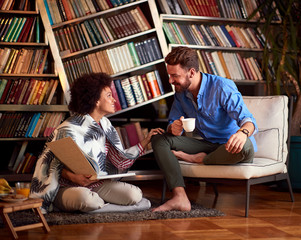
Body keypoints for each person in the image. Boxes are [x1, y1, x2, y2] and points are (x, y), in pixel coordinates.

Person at [30, 73, 164, 213]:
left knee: (134, 195)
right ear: (96, 101)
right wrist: (73, 177)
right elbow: (48, 164)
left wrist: (146, 140)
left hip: (97, 185)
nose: (114, 100)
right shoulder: (67, 129)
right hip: (67, 187)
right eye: (109, 95)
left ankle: (98, 206)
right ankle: (72, 204)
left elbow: (119, 160)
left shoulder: (105, 124)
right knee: (87, 200)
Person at [151, 47, 258, 212]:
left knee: (246, 147)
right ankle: (180, 196)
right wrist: (174, 128)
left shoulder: (221, 86)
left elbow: (248, 120)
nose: (171, 81)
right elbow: (172, 124)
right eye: (170, 75)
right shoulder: (181, 93)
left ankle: (199, 159)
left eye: (175, 76)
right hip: (206, 144)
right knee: (159, 139)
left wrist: (242, 133)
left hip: (229, 147)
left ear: (191, 72)